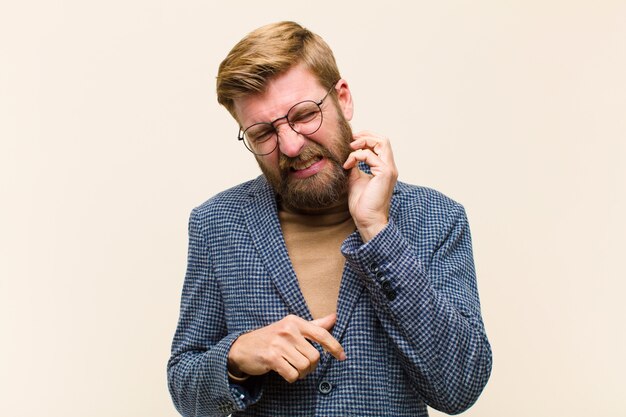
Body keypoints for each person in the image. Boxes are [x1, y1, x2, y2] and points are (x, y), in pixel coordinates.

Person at [167, 21, 492, 417]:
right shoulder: (215, 223)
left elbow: (460, 387)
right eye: (262, 133)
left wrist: (377, 231)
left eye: (304, 115)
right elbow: (185, 387)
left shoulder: (437, 218)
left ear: (343, 98)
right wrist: (234, 358)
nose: (289, 144)